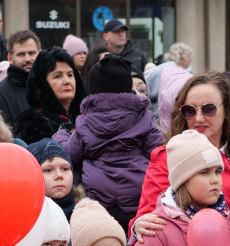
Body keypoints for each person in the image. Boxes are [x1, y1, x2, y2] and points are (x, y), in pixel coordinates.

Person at [132, 71, 230, 237]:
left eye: (209, 109)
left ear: (227, 110)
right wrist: (138, 225)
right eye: (190, 110)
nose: (199, 118)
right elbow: (147, 216)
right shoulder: (167, 157)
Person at [52, 53, 162, 233]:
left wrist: (61, 134)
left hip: (99, 196)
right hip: (138, 193)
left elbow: (70, 154)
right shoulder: (144, 116)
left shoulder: (86, 120)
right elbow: (157, 152)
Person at [14, 47, 84, 145]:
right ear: (42, 83)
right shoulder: (32, 123)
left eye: (70, 75)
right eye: (57, 76)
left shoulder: (86, 116)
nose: (67, 81)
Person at [0, 30, 41, 126]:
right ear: (10, 58)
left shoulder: (51, 86)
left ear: (40, 54)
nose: (27, 59)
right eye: (21, 54)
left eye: (31, 53)